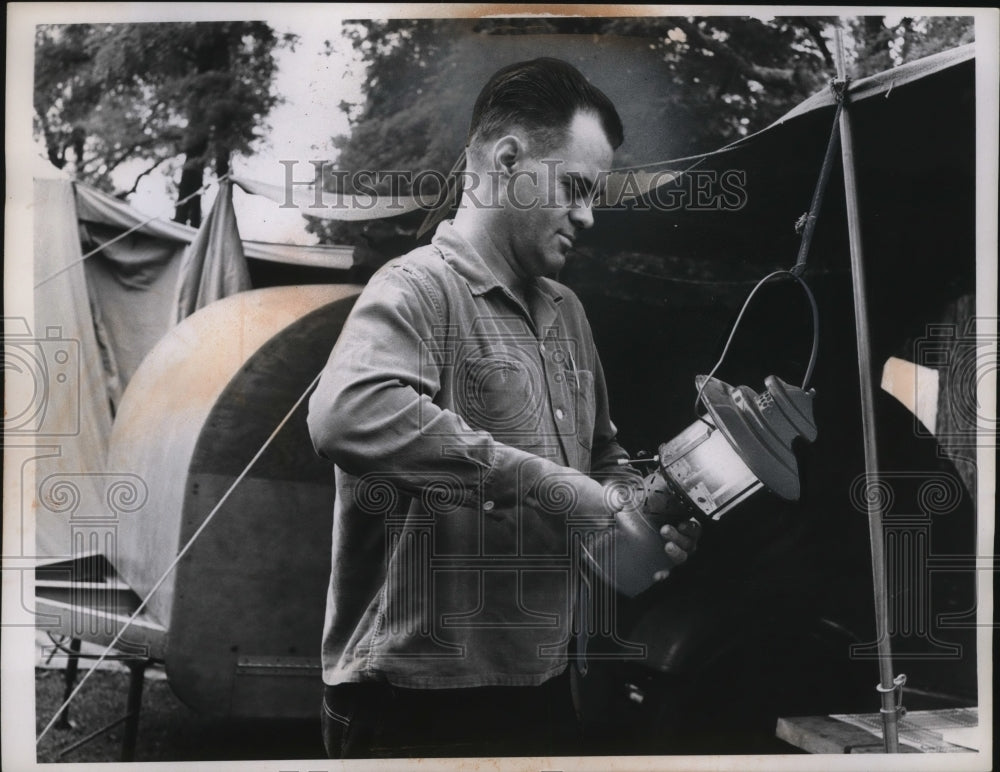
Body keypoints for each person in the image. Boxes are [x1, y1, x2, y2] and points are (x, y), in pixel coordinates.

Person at [307, 57, 700, 759]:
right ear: (509, 159)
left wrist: (640, 512)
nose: (586, 214)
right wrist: (553, 489)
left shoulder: (568, 313)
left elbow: (601, 457)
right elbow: (345, 414)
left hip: (543, 689)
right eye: (575, 187)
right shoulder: (416, 289)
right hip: (411, 706)